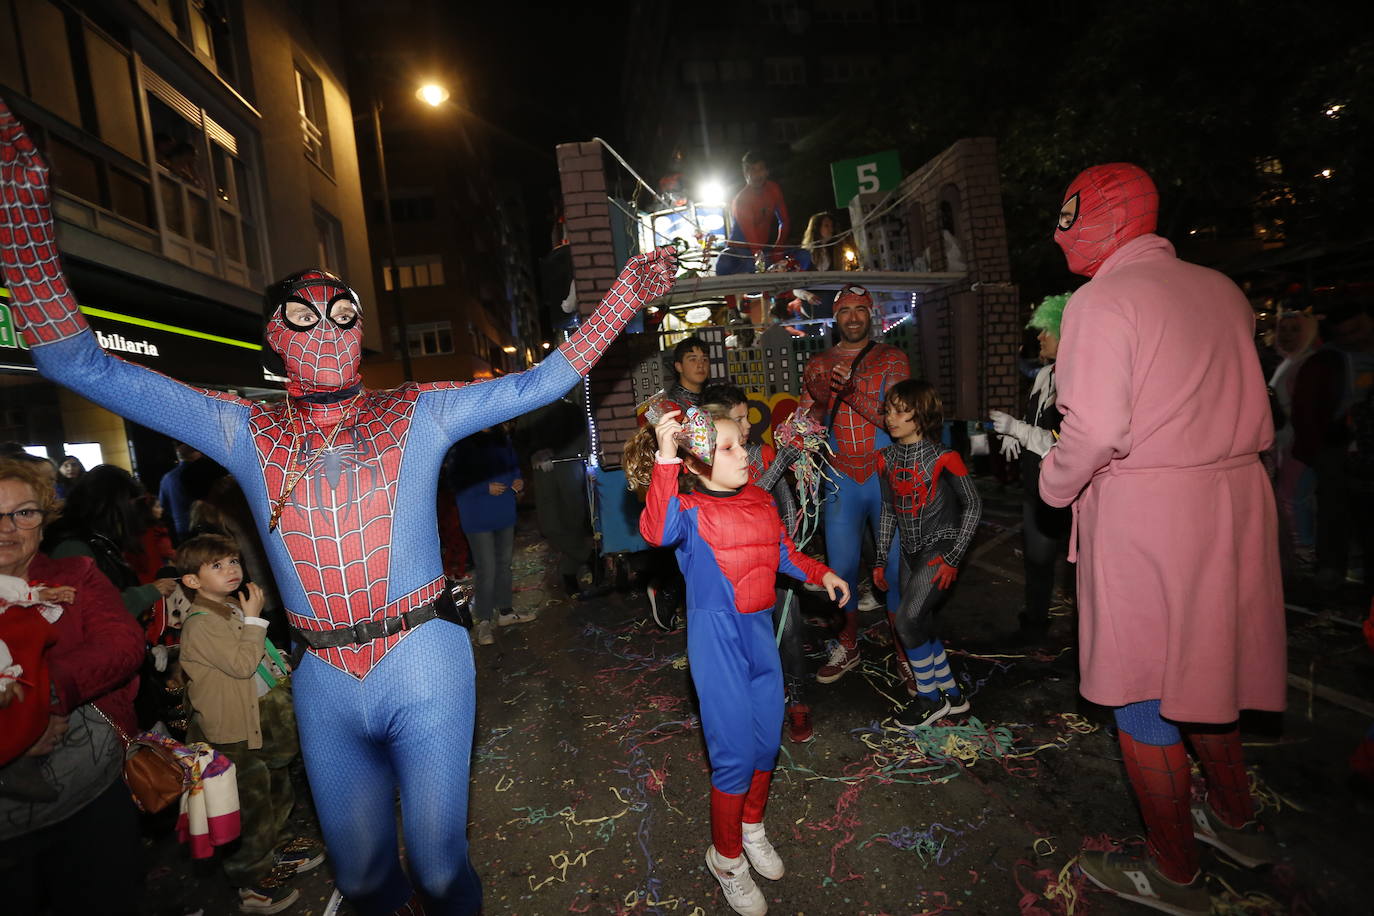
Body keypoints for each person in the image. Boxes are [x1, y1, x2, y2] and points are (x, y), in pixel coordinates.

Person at [0, 100, 677, 916]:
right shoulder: (243, 427)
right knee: (358, 879)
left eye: (343, 313)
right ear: (274, 341)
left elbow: (543, 382)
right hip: (322, 673)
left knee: (437, 867)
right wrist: (24, 221)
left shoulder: (417, 410)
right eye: (304, 315)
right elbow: (82, 366)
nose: (327, 326)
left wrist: (617, 300)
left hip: (422, 656)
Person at [1038, 162, 1284, 914]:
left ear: (1103, 215)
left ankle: (1175, 871)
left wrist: (1053, 483)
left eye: (1070, 213)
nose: (1060, 229)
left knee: (1142, 690)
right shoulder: (1222, 288)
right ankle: (1237, 823)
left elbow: (1099, 428)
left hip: (1150, 508)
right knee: (1211, 671)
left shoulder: (1104, 299)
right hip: (1236, 499)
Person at [626, 399, 848, 916]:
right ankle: (725, 859)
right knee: (732, 759)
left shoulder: (761, 501)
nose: (744, 451)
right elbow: (654, 531)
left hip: (758, 639)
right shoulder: (685, 511)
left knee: (766, 743)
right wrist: (665, 457)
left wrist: (822, 574)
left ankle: (751, 828)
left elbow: (785, 553)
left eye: (742, 442)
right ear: (698, 462)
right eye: (728, 447)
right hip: (716, 645)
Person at [0, 457, 146, 915]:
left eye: (24, 512)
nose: (7, 527)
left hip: (93, 797)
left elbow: (123, 644)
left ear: (44, 519)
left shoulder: (74, 575)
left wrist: (47, 694)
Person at [176, 533, 321, 914]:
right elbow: (241, 665)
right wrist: (256, 618)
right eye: (217, 565)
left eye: (234, 561)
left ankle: (279, 847)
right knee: (250, 805)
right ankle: (251, 884)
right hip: (233, 731)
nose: (232, 570)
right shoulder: (201, 623)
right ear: (192, 581)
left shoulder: (228, 607)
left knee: (275, 786)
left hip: (260, 719)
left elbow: (258, 657)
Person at [797, 285, 910, 684]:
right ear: (835, 317)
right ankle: (849, 643)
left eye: (860, 310)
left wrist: (851, 393)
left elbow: (897, 420)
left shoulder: (892, 360)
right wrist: (794, 432)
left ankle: (905, 651)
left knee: (896, 571)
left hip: (883, 475)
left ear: (872, 314)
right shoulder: (817, 364)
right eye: (845, 311)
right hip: (840, 477)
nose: (853, 317)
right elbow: (807, 416)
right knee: (840, 570)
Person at [701, 384, 813, 742]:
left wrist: (791, 544)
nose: (747, 425)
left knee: (790, 630)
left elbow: (784, 500)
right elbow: (741, 501)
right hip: (731, 569)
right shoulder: (709, 464)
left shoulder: (760, 452)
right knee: (742, 641)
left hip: (773, 556)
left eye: (747, 417)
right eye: (737, 419)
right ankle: (753, 702)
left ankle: (797, 701)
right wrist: (781, 461)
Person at [873, 380, 981, 727]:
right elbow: (889, 510)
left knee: (906, 622)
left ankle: (929, 698)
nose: (891, 417)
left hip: (940, 547)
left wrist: (954, 556)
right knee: (921, 622)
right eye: (889, 410)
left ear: (921, 415)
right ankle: (952, 693)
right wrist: (879, 559)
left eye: (901, 410)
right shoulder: (885, 458)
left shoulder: (945, 457)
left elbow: (974, 506)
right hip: (908, 550)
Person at [989, 293, 1073, 643]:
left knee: (1074, 572)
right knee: (1037, 563)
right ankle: (1035, 625)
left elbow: (1068, 442)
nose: (1040, 337)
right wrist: (1017, 435)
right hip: (1035, 486)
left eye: (1046, 331)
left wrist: (1018, 431)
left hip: (1067, 490)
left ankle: (1084, 643)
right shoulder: (1044, 376)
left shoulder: (1078, 379)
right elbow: (1037, 422)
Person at [1290, 287, 1374, 598]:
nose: (1353, 338)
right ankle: (1331, 573)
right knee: (1335, 509)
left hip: (1356, 445)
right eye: (1346, 333)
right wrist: (1319, 449)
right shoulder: (1325, 362)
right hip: (1337, 447)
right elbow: (1306, 410)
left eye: (1358, 329)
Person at [42, 464, 180, 618]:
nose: (133, 514)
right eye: (130, 505)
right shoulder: (72, 547)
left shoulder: (95, 538)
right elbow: (86, 608)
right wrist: (146, 593)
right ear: (113, 505)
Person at [445, 427, 528, 648]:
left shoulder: (502, 439)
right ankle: (483, 621)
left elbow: (513, 467)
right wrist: (484, 488)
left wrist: (518, 482)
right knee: (486, 568)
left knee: (504, 565)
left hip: (504, 512)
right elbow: (454, 481)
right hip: (477, 515)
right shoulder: (461, 444)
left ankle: (505, 611)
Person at [516, 388, 597, 600]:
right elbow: (519, 441)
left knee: (574, 521)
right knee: (550, 525)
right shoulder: (529, 411)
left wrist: (558, 454)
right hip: (543, 471)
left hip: (568, 468)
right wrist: (534, 453)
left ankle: (569, 573)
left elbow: (583, 440)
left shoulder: (570, 409)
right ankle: (589, 557)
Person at [716, 151, 789, 276]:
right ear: (745, 174)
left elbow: (785, 221)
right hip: (739, 252)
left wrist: (778, 247)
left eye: (760, 169)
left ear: (766, 171)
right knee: (725, 263)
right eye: (751, 170)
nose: (756, 175)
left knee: (801, 255)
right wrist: (761, 262)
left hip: (763, 248)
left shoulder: (774, 189)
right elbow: (753, 242)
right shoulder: (742, 200)